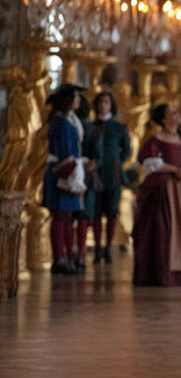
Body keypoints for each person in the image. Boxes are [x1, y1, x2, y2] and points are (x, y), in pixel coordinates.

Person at [133, 104, 181, 286]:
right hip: (164, 188)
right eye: (172, 112)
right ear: (164, 119)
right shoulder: (156, 139)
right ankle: (163, 271)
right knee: (164, 227)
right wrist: (173, 169)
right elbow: (149, 161)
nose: (177, 113)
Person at [42, 84, 87, 275]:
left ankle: (67, 256)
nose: (79, 100)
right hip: (63, 172)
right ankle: (59, 258)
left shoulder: (68, 120)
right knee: (60, 216)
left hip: (69, 169)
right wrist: (74, 177)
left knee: (67, 216)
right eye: (76, 96)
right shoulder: (61, 122)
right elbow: (65, 152)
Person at [90, 91, 131, 265]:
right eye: (100, 102)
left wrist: (117, 163)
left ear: (111, 105)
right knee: (96, 212)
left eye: (106, 102)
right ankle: (98, 247)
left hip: (113, 175)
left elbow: (127, 150)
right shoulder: (92, 126)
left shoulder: (119, 127)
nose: (103, 105)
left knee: (112, 211)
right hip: (96, 174)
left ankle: (108, 247)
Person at [71, 95, 98, 272]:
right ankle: (80, 255)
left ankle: (70, 254)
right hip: (86, 175)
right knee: (83, 216)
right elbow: (98, 155)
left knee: (68, 217)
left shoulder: (75, 125)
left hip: (72, 172)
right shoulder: (92, 129)